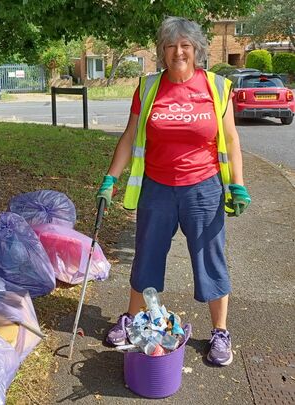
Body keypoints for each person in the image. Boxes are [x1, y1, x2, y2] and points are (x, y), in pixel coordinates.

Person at [96, 16, 251, 367]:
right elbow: (130, 135)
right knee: (147, 256)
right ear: (162, 52)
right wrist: (110, 179)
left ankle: (220, 332)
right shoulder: (148, 87)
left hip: (204, 190)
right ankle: (133, 319)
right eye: (170, 45)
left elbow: (230, 140)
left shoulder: (216, 87)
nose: (178, 51)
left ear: (196, 49)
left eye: (185, 45)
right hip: (158, 189)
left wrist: (238, 185)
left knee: (211, 260)